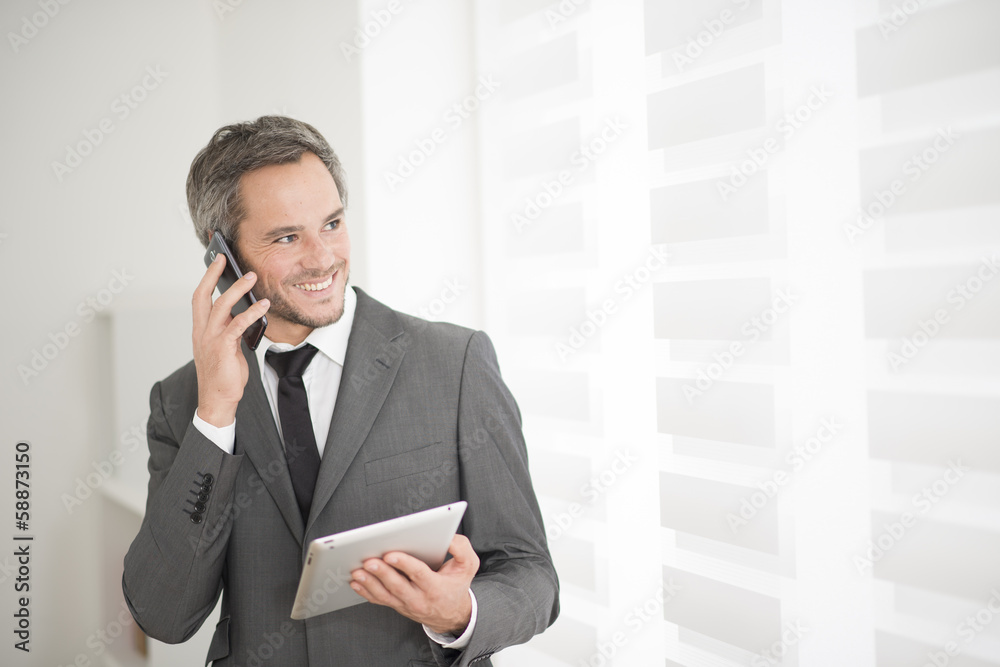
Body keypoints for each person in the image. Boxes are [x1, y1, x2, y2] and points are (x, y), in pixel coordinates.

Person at [122, 115, 559, 666]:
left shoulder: (454, 364)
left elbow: (531, 572)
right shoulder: (184, 401)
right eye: (286, 237)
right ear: (222, 258)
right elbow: (164, 613)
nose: (323, 257)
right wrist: (216, 414)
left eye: (331, 223)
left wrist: (461, 613)